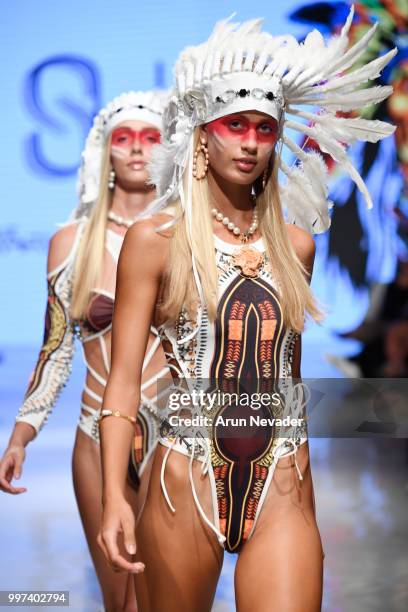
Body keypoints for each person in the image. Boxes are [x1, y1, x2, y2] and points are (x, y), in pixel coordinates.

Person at [97, 12, 396, 612]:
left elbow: (288, 378)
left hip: (283, 481)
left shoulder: (297, 246)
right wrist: (113, 498)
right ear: (204, 134)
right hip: (184, 476)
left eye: (265, 129)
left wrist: (307, 485)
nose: (251, 142)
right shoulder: (156, 239)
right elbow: (123, 383)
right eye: (235, 125)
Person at [0, 90, 168, 612]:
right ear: (106, 152)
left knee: (175, 596)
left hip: (178, 438)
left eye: (150, 138)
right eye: (124, 139)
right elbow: (55, 349)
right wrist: (21, 436)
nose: (137, 150)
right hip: (97, 438)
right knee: (124, 600)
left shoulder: (185, 236)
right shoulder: (71, 243)